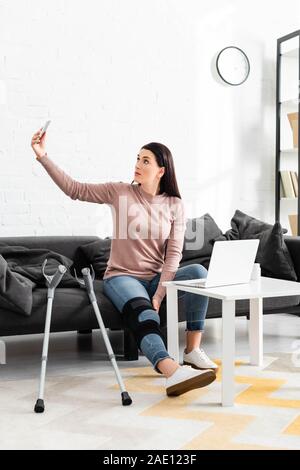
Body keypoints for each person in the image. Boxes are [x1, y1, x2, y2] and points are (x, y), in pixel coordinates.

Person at [31, 127, 218, 397]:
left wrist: (161, 290)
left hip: (155, 276)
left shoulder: (174, 204)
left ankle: (192, 351)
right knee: (144, 313)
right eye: (137, 159)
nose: (138, 165)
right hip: (122, 277)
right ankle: (171, 371)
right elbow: (74, 189)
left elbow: (174, 253)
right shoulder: (119, 192)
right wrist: (42, 156)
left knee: (198, 273)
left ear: (161, 170)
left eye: (145, 161)